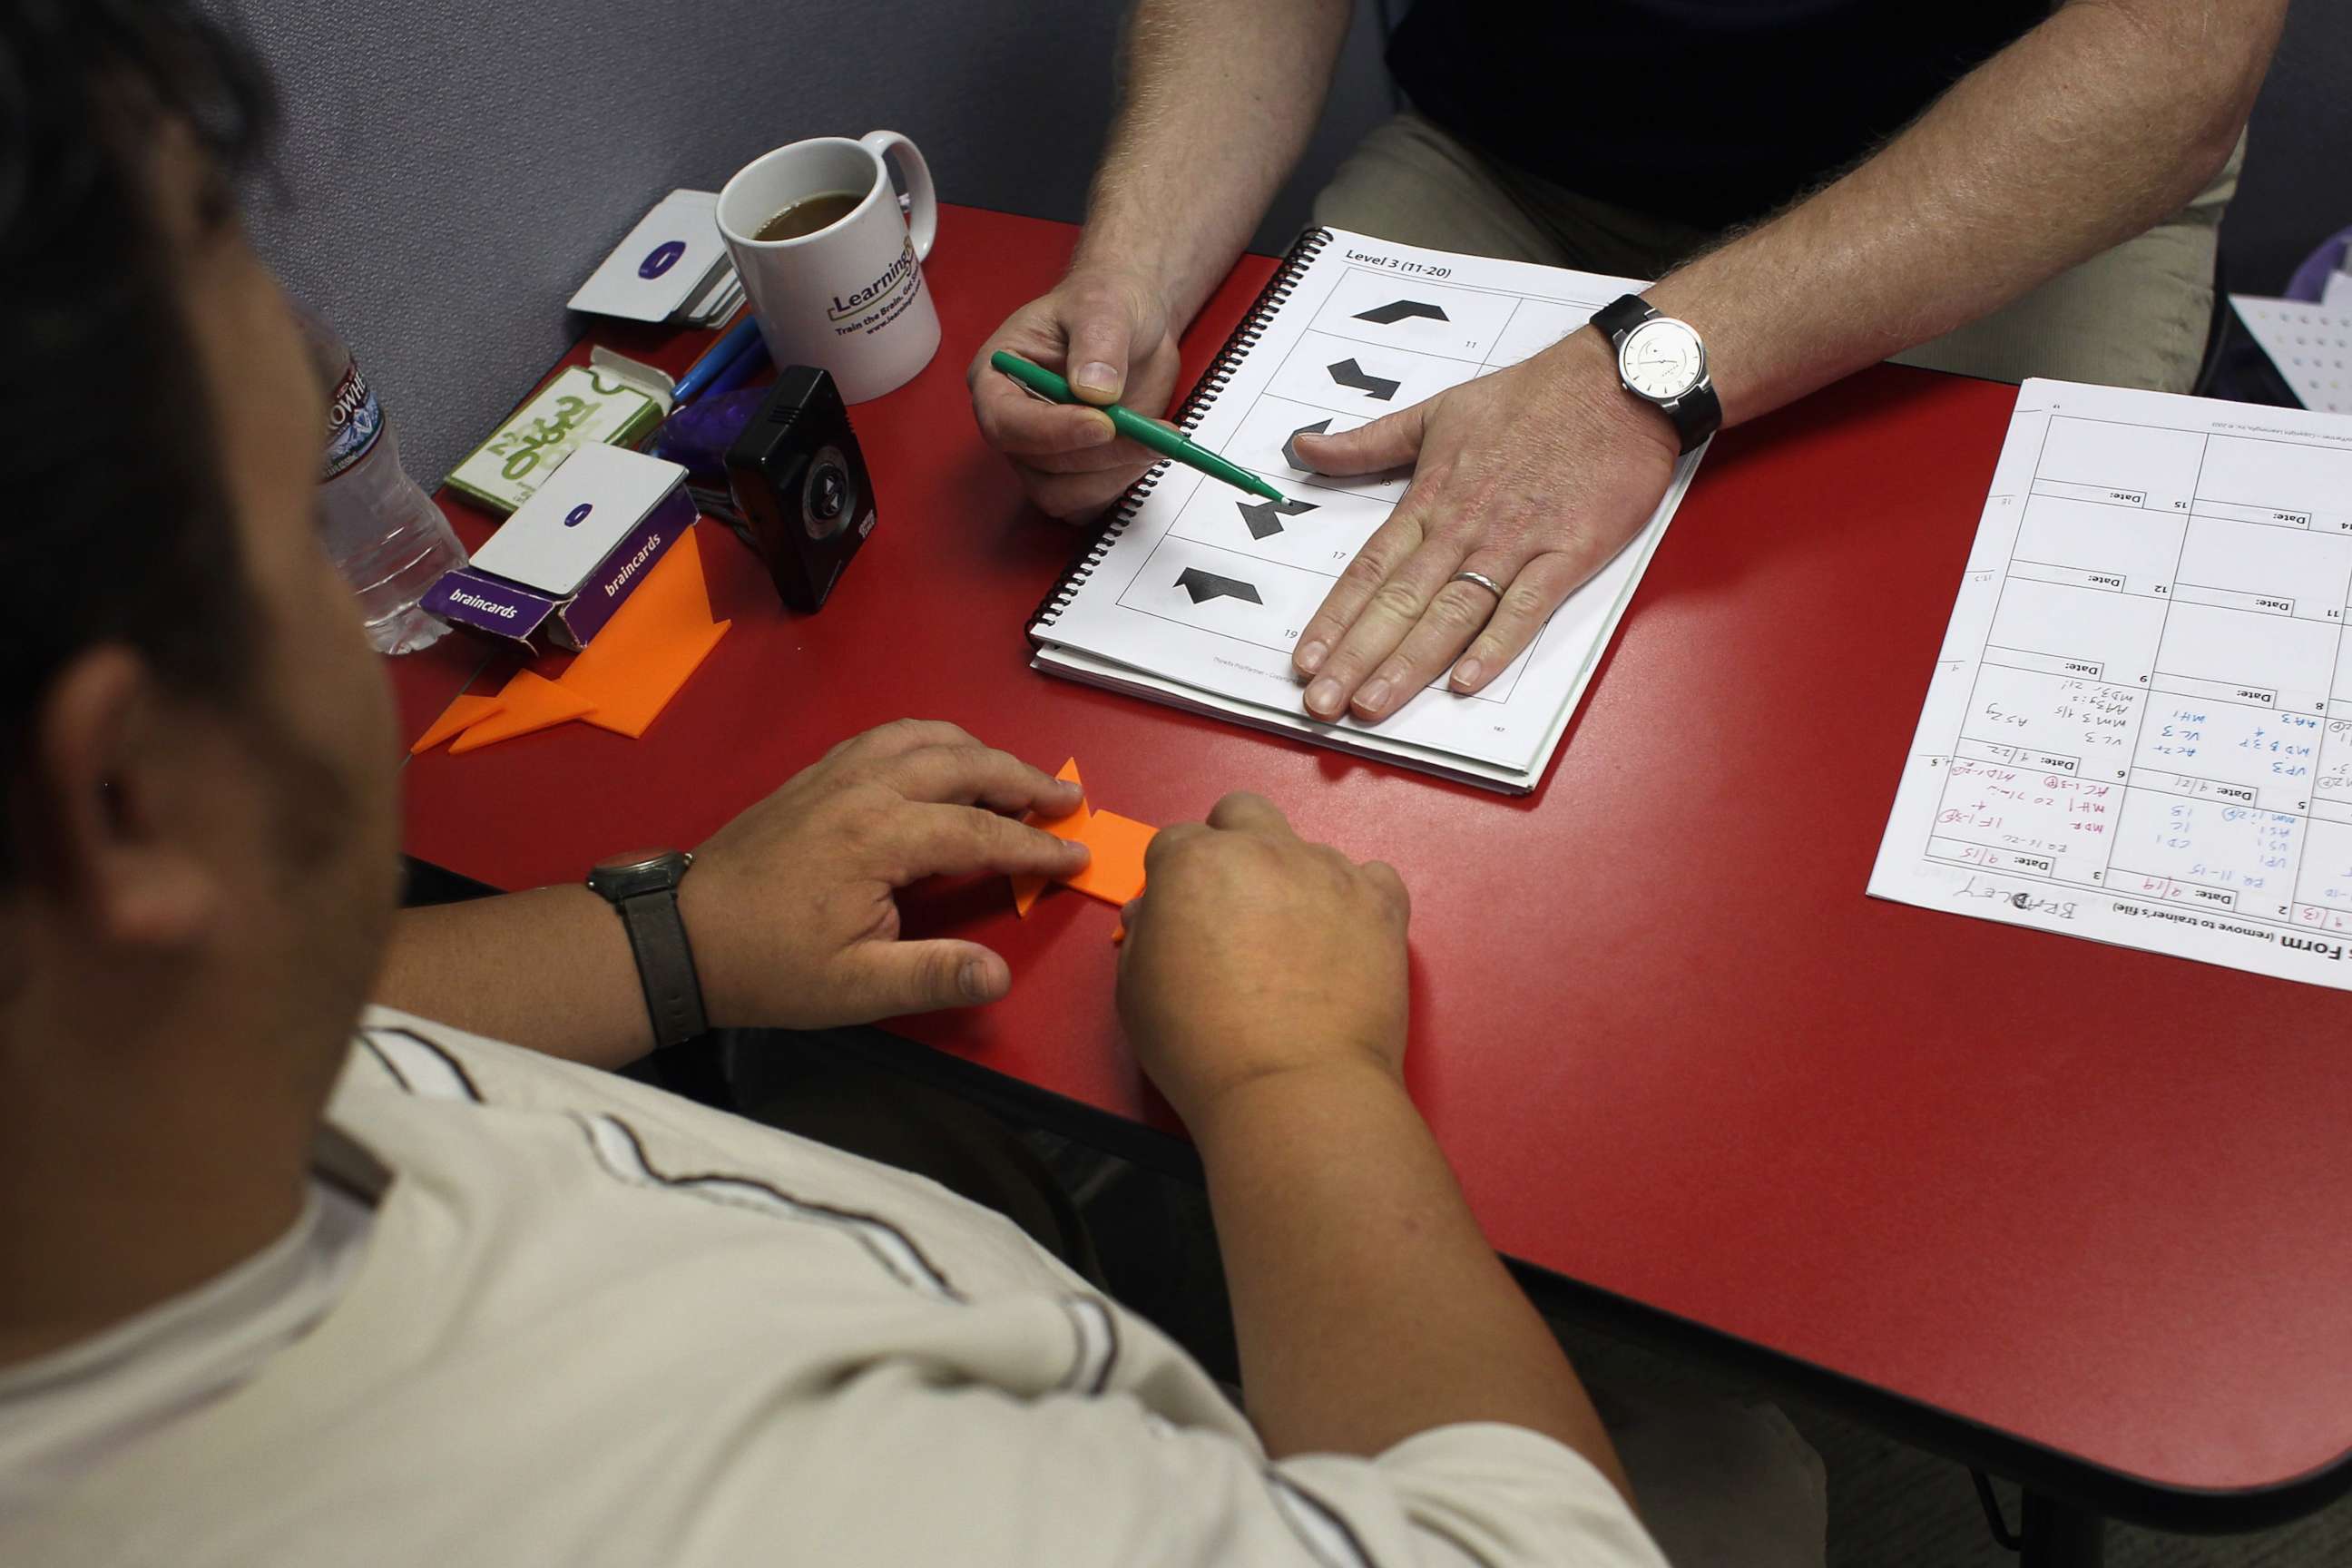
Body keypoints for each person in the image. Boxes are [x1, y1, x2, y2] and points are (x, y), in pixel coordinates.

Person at [0, 5, 1821, 1564]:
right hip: (1092, 1400)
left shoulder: (114, 1100)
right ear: (131, 801)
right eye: (296, 530)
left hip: (816, 1241)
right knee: (1733, 1469)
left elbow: (360, 1032)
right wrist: (1295, 1085)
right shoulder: (768, 1504)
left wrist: (675, 941)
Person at [970, 0, 2286, 728]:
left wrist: (1639, 373)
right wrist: (1131, 281)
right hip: (1529, 165)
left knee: (1938, 721)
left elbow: (2178, 47)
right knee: (1252, 681)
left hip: (2002, 187)